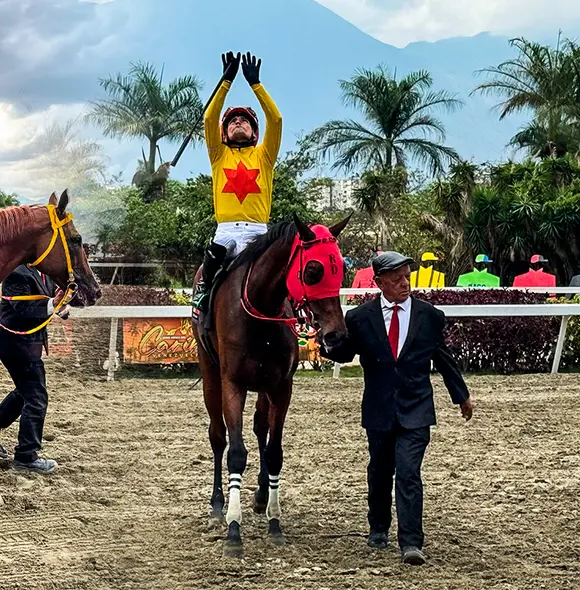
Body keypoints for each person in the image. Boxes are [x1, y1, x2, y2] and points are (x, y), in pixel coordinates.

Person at [320, 251, 474, 566]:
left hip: (417, 407)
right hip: (378, 409)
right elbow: (347, 353)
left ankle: (411, 543)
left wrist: (461, 395)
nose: (405, 284)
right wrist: (327, 343)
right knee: (379, 471)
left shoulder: (429, 315)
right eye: (396, 279)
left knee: (408, 473)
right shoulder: (360, 318)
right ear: (379, 282)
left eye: (407, 277)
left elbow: (443, 359)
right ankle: (378, 527)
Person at [191, 50, 282, 314]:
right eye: (232, 121)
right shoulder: (218, 154)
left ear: (255, 132)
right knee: (211, 263)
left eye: (244, 120)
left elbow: (275, 120)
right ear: (224, 132)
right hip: (226, 231)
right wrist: (225, 82)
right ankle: (202, 299)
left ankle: (294, 309)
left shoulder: (264, 156)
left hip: (258, 231)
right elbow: (209, 118)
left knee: (279, 273)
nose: (238, 122)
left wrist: (256, 84)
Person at [0, 265, 68, 474]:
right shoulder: (17, 273)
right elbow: (23, 310)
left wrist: (61, 305)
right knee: (36, 398)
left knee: (26, 391)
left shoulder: (45, 274)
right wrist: (53, 303)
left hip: (28, 343)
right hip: (15, 343)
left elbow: (50, 302)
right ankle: (26, 456)